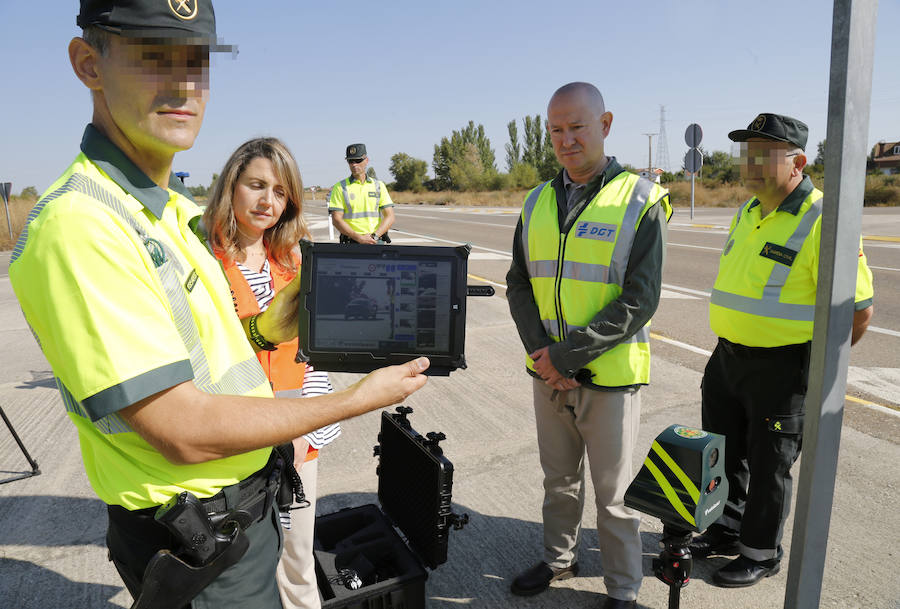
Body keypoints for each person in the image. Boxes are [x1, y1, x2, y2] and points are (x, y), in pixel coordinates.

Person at [8, 3, 428, 608]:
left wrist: (268, 327)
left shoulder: (166, 215)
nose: (182, 83)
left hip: (239, 510)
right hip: (199, 536)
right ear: (87, 64)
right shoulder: (84, 223)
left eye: (196, 61)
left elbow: (204, 360)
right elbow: (181, 430)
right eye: (153, 56)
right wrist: (358, 399)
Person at [506, 82, 672, 609]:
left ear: (604, 124)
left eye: (577, 126)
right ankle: (559, 559)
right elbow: (518, 282)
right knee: (558, 482)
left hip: (610, 377)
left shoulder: (640, 199)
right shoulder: (536, 201)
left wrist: (567, 356)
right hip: (548, 373)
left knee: (614, 496)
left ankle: (622, 589)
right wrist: (543, 354)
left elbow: (639, 300)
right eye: (556, 129)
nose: (566, 139)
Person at [689, 113, 874, 587]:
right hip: (728, 358)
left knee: (771, 463)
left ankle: (760, 552)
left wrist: (816, 368)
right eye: (746, 153)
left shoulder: (823, 219)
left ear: (798, 163)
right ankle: (727, 531)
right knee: (725, 452)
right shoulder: (747, 211)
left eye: (762, 154)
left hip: (783, 367)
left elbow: (858, 309)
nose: (749, 163)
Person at [202, 137, 341, 609]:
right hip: (232, 440)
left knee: (298, 562)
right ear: (230, 187)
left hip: (295, 436)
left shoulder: (296, 260)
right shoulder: (204, 264)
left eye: (280, 192)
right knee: (241, 570)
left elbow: (312, 356)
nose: (267, 201)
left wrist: (307, 429)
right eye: (256, 186)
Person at [328, 143, 395, 244]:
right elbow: (336, 219)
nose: (354, 164)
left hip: (376, 242)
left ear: (366, 160)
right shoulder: (340, 187)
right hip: (351, 243)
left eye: (358, 160)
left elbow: (390, 216)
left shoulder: (378, 186)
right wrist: (359, 238)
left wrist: (375, 236)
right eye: (351, 161)